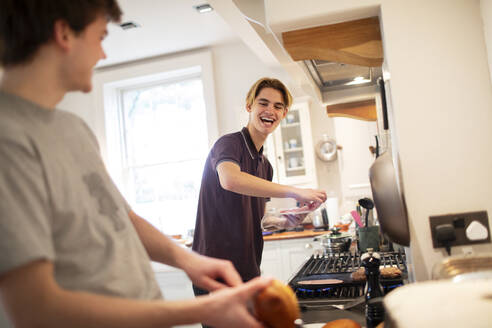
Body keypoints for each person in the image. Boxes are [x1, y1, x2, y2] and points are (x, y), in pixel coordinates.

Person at [0, 1, 272, 327]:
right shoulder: (8, 140)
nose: (102, 54)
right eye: (100, 37)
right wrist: (202, 310)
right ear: (63, 34)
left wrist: (191, 261)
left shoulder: (73, 129)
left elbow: (122, 216)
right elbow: (36, 308)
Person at [192, 78, 327, 297]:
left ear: (284, 114)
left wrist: (284, 222)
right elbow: (230, 180)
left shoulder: (266, 166)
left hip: (247, 269)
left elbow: (258, 220)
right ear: (249, 106)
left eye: (278, 106)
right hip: (214, 270)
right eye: (263, 103)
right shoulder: (229, 144)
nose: (270, 111)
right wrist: (294, 191)